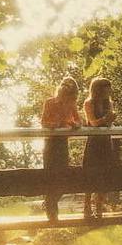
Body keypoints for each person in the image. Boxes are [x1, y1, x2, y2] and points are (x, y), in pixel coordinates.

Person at [41, 77, 81, 222]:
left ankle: (49, 203)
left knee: (63, 177)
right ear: (60, 93)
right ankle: (52, 214)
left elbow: (78, 120)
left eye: (69, 98)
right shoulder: (50, 102)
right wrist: (53, 124)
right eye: (65, 97)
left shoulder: (71, 105)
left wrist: (74, 124)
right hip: (50, 144)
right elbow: (43, 122)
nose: (66, 100)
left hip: (63, 143)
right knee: (51, 176)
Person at [82, 77, 117, 219]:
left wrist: (111, 120)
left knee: (104, 174)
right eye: (105, 88)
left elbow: (108, 125)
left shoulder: (109, 103)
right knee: (90, 174)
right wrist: (106, 119)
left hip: (106, 142)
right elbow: (93, 122)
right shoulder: (89, 103)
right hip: (94, 142)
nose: (108, 91)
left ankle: (99, 207)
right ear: (98, 89)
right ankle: (86, 207)